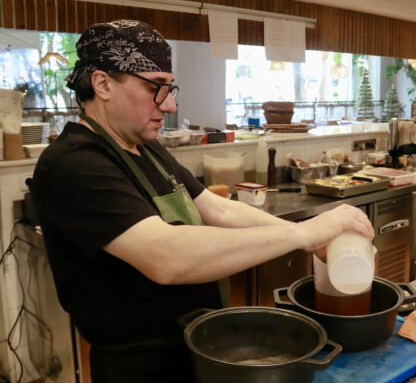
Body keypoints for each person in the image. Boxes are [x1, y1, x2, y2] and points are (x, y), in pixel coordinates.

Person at [30, 20, 374, 383]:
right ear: (103, 84)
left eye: (169, 88)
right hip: (143, 368)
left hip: (198, 348)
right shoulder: (75, 164)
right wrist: (303, 234)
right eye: (155, 87)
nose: (170, 104)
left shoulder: (146, 148)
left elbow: (218, 208)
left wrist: (310, 238)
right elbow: (165, 256)